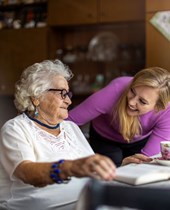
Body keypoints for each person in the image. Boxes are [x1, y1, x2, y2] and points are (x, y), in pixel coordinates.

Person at [0, 59, 116, 210]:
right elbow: (26, 172)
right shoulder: (15, 128)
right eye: (62, 93)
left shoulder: (71, 128)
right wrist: (70, 167)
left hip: (85, 203)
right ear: (36, 97)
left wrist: (120, 167)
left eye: (68, 94)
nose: (68, 101)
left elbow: (91, 169)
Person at [68, 67, 170, 166]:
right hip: (104, 138)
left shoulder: (167, 112)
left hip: (139, 141)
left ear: (158, 107)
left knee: (140, 168)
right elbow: (68, 121)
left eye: (142, 101)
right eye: (132, 91)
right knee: (111, 166)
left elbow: (148, 159)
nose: (131, 102)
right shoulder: (116, 89)